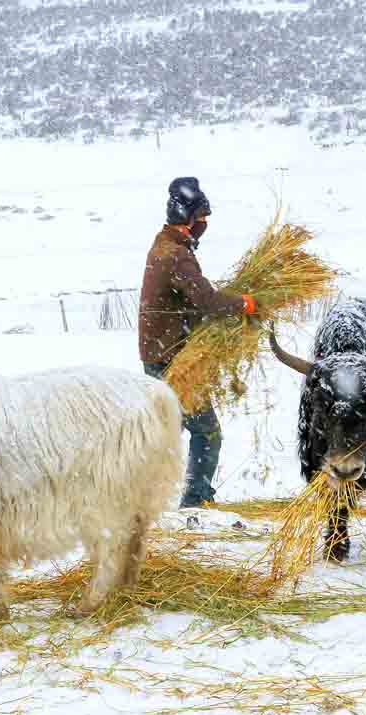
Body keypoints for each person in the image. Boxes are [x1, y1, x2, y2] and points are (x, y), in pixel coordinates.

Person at [139, 177, 257, 509]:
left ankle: (143, 501)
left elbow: (191, 299)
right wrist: (243, 303)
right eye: (201, 217)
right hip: (170, 358)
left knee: (165, 433)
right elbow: (205, 299)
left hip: (161, 353)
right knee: (206, 433)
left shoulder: (166, 245)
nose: (204, 224)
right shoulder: (175, 254)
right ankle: (196, 502)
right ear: (189, 217)